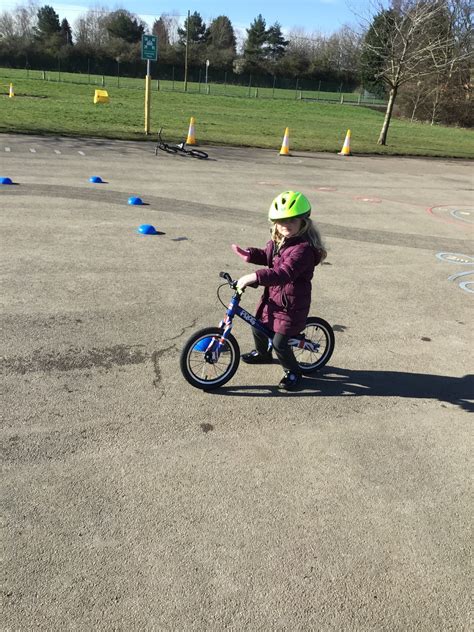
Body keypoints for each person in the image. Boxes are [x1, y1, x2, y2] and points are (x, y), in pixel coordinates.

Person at [231, 190, 327, 391]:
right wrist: (249, 254)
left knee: (280, 343)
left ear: (303, 222)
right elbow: (268, 256)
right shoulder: (278, 241)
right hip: (274, 298)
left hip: (292, 306)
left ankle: (293, 371)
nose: (286, 225)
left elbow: (284, 273)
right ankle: (263, 354)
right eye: (281, 220)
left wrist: (254, 277)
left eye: (292, 220)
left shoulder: (303, 250)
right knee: (257, 325)